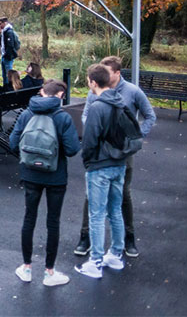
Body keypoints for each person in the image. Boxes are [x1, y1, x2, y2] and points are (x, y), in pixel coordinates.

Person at [75, 56, 156, 258]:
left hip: (122, 153)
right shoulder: (94, 92)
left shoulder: (132, 92)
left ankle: (129, 238)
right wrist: (94, 132)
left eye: (107, 71)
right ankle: (85, 237)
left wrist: (134, 140)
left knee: (122, 196)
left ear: (117, 73)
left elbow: (150, 116)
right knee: (91, 196)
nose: (103, 75)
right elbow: (86, 115)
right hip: (100, 152)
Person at [9, 80, 80, 287]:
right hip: (56, 176)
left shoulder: (26, 114)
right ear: (59, 95)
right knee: (53, 222)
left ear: (41, 92)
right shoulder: (63, 118)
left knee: (29, 218)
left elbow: (13, 143)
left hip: (31, 175)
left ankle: (26, 268)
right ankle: (49, 272)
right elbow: (73, 149)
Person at [75, 64, 129, 279]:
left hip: (99, 165)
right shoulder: (120, 102)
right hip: (119, 163)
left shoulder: (97, 106)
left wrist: (87, 161)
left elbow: (89, 140)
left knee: (96, 215)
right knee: (115, 210)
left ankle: (95, 262)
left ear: (93, 82)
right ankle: (116, 254)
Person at [0, 17, 20, 86]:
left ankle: (10, 87)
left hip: (8, 56)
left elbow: (10, 45)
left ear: (5, 23)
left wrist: (7, 55)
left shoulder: (9, 32)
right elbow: (2, 44)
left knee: (8, 74)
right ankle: (5, 86)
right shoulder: (4, 31)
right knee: (4, 74)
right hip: (4, 55)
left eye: (0, 23)